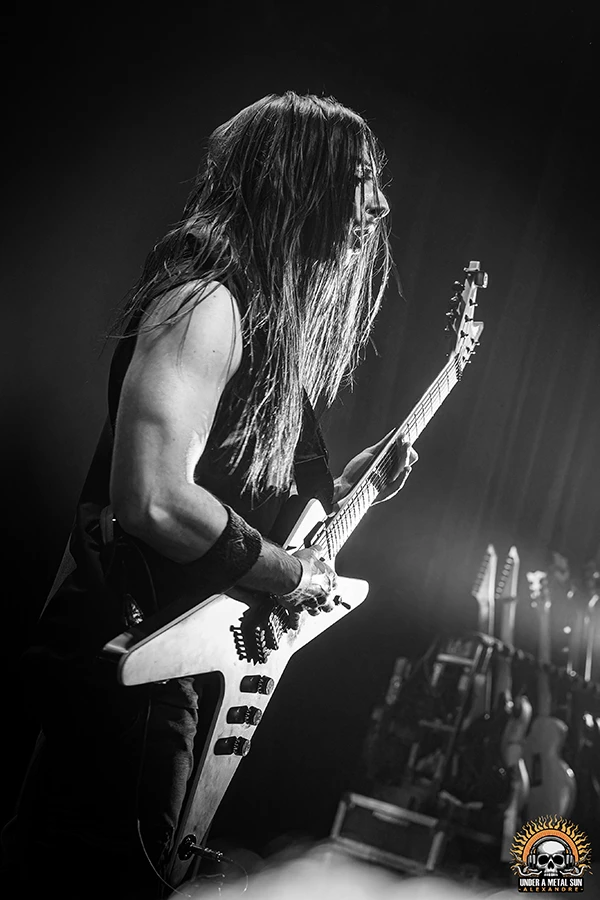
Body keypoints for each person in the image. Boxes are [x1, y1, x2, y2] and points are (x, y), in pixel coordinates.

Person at [1, 91, 417, 898]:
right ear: (301, 181)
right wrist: (290, 577)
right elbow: (152, 497)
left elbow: (234, 490)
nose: (381, 204)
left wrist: (358, 476)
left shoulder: (256, 321)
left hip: (169, 676)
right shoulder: (205, 302)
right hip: (136, 669)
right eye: (361, 179)